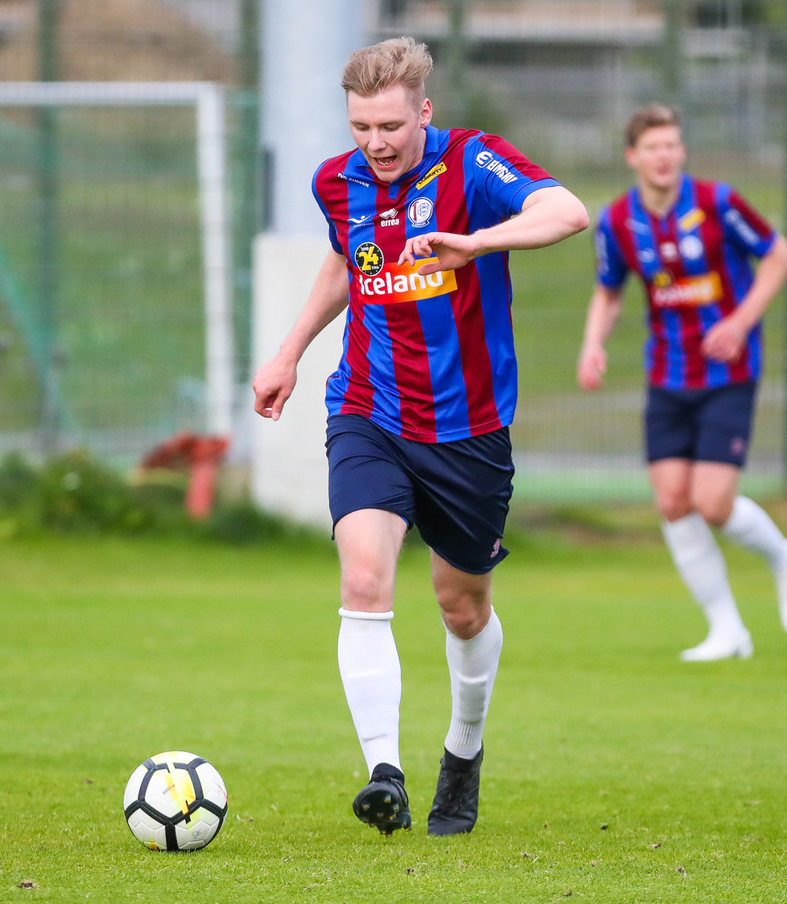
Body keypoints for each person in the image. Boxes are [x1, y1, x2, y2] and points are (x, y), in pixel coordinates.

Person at [253, 37, 589, 835]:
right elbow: (347, 262)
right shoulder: (336, 181)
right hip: (367, 409)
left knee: (461, 606)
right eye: (361, 127)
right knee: (364, 581)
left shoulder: (472, 164)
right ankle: (385, 775)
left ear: (423, 112)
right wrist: (288, 352)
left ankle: (463, 751)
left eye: (391, 127)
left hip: (468, 428)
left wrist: (477, 242)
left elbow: (567, 212)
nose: (376, 144)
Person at [576, 103, 787, 662]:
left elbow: (779, 255)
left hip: (728, 372)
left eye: (672, 145)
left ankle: (785, 557)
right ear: (633, 156)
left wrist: (740, 322)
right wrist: (592, 344)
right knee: (672, 502)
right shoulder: (617, 220)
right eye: (653, 147)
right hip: (667, 374)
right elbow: (609, 290)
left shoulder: (718, 203)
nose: (664, 156)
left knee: (712, 502)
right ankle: (728, 630)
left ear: (682, 151)